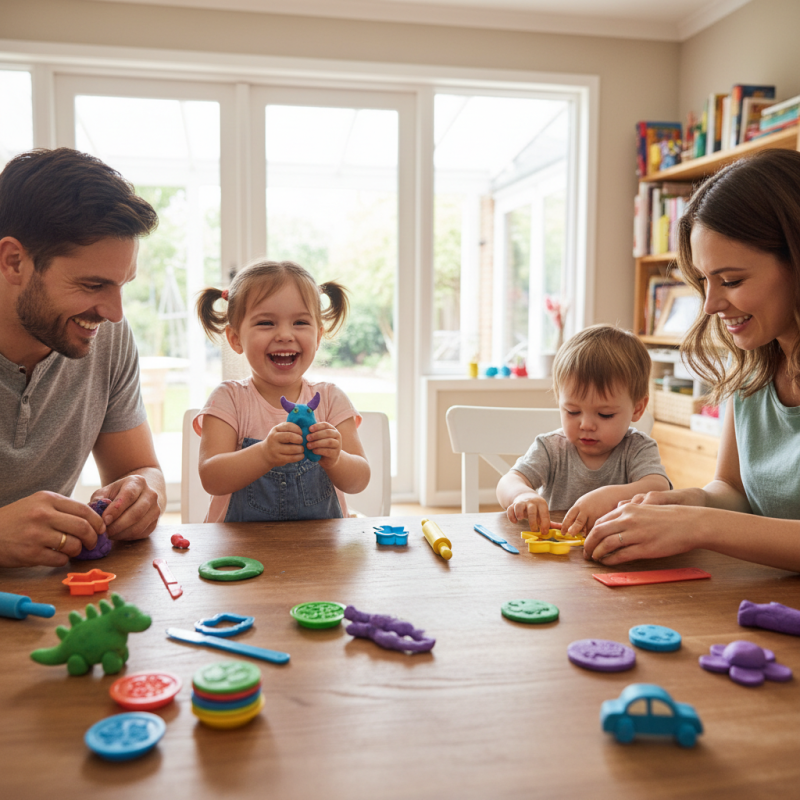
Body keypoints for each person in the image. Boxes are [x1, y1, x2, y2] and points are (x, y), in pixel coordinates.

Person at [583, 149, 800, 572]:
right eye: (704, 281)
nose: (710, 304)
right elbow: (733, 489)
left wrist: (699, 524)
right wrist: (691, 501)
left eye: (732, 280)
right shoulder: (753, 367)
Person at [0, 148, 166, 568]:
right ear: (14, 261)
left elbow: (142, 469)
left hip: (46, 603)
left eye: (122, 284)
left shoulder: (106, 338)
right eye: (94, 285)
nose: (114, 313)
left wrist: (141, 493)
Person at [194, 259, 370, 522]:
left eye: (300, 322)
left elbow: (360, 480)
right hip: (239, 553)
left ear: (319, 336)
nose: (285, 335)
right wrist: (264, 454)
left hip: (320, 549)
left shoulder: (331, 399)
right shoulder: (228, 399)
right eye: (266, 323)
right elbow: (211, 478)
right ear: (235, 338)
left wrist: (336, 458)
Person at [496, 325, 671, 537]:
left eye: (605, 414)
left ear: (637, 408)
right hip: (556, 557)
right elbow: (508, 482)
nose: (586, 425)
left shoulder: (637, 448)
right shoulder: (551, 448)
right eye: (572, 411)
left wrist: (608, 496)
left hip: (617, 553)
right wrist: (521, 494)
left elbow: (660, 489)